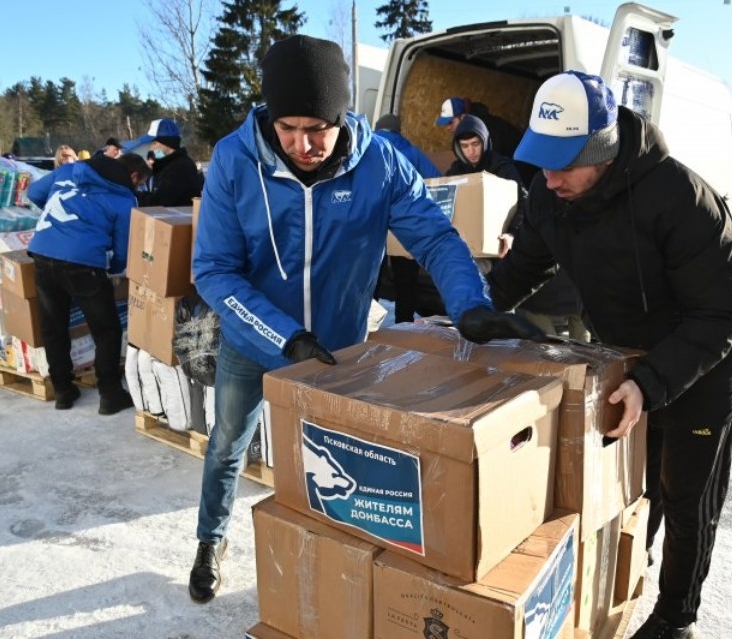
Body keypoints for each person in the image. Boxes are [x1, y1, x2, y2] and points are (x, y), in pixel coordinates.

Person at [189, 34, 544, 605]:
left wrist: (470, 304)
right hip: (253, 342)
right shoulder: (236, 160)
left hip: (339, 352)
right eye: (288, 128)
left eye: (318, 128)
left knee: (337, 461)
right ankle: (211, 539)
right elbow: (214, 271)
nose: (304, 144)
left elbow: (433, 236)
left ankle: (338, 567)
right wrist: (285, 338)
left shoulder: (379, 163)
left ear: (341, 115)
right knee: (230, 440)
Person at [487, 71, 732, 639]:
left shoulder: (680, 199)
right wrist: (477, 308)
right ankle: (633, 569)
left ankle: (675, 616)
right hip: (629, 361)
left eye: (563, 163)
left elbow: (721, 316)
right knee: (635, 487)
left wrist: (651, 382)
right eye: (543, 162)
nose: (550, 178)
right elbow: (523, 267)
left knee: (686, 499)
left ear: (603, 150)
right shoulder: (550, 196)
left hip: (703, 365)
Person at [27, 153, 151, 414]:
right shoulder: (124, 197)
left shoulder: (70, 170)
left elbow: (34, 192)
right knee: (106, 329)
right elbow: (122, 246)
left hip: (42, 251)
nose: (137, 189)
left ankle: (63, 391)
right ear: (134, 177)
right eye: (139, 184)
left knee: (53, 326)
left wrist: (56, 223)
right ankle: (110, 393)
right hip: (82, 263)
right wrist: (116, 269)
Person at [448, 115, 588, 340]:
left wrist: (511, 234)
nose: (471, 151)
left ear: (485, 142)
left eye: (475, 144)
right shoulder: (455, 173)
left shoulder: (502, 167)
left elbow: (523, 202)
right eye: (464, 146)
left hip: (501, 251)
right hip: (471, 252)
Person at [373, 113, 442, 323]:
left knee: (371, 276)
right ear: (398, 130)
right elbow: (439, 181)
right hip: (404, 226)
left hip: (373, 226)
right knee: (406, 279)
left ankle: (367, 322)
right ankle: (404, 323)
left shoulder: (368, 147)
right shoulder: (413, 152)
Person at [137, 118, 204, 207]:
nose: (151, 148)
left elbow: (160, 202)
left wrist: (134, 196)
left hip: (180, 219)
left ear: (166, 143)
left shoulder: (181, 167)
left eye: (154, 143)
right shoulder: (165, 165)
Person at [435, 96, 524, 162]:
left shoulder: (486, 128)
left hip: (522, 166)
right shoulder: (469, 130)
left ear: (463, 117)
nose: (448, 128)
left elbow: (496, 162)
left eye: (451, 122)